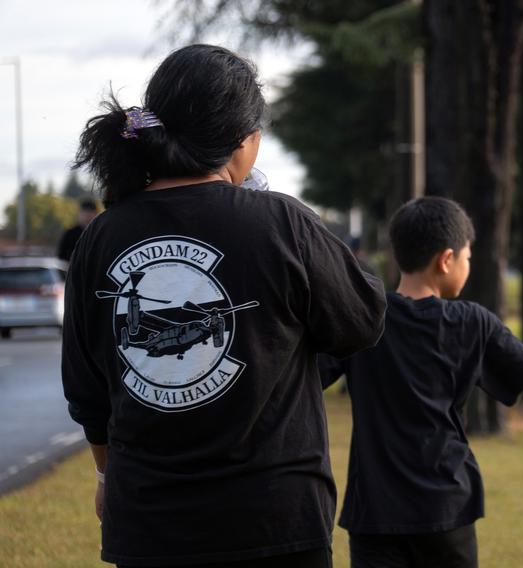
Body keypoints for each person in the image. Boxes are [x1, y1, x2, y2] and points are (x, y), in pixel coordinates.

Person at [62, 44, 386, 568]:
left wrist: (105, 477)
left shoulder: (100, 236)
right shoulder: (283, 222)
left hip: (148, 525)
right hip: (277, 522)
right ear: (242, 140)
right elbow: (364, 319)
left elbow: (87, 391)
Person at [319, 196, 523, 568]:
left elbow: (304, 376)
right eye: (467, 257)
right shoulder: (472, 322)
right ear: (446, 259)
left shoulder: (366, 318)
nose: (468, 265)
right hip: (447, 507)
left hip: (375, 513)